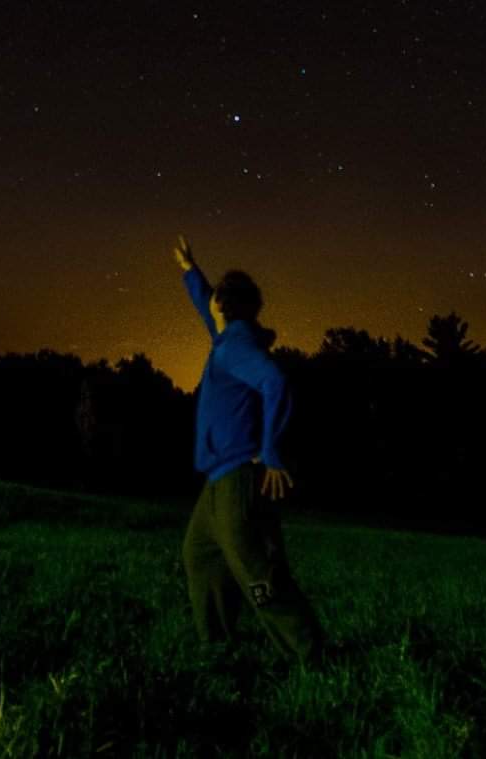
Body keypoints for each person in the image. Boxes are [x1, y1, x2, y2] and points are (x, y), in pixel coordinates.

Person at [173, 234, 326, 665]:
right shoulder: (228, 338)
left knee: (258, 570)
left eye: (216, 298)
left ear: (225, 304)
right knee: (200, 554)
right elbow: (207, 305)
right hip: (218, 478)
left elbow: (275, 384)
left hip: (238, 476)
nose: (211, 305)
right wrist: (190, 270)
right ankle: (216, 648)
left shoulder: (235, 345)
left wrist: (271, 452)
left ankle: (309, 655)